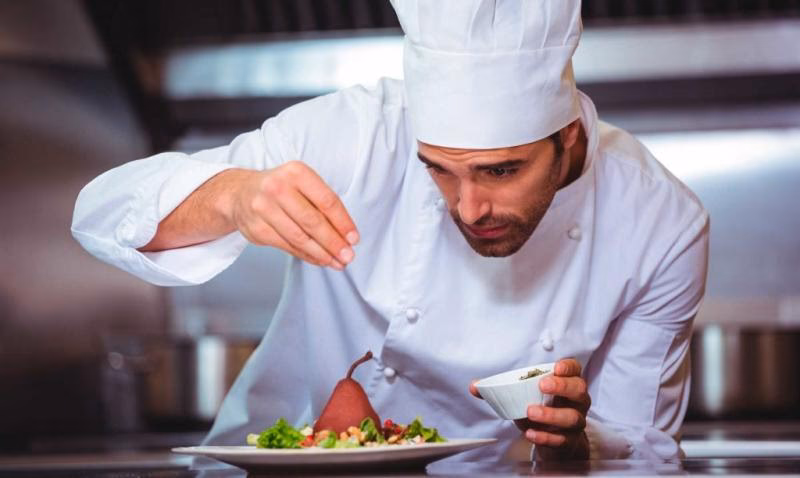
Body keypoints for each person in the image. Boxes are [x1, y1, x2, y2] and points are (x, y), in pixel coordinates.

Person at [72, 0, 708, 462]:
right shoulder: (358, 132)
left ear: (567, 137)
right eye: (438, 170)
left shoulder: (660, 223)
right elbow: (100, 215)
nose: (469, 207)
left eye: (501, 170)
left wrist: (573, 443)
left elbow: (641, 448)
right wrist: (232, 196)